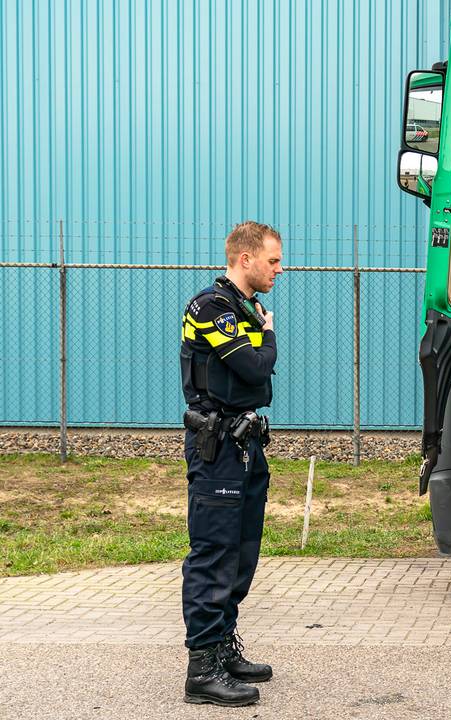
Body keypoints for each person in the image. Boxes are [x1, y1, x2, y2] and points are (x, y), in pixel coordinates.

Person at [178, 221, 284, 706]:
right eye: (273, 260)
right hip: (216, 447)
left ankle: (223, 646)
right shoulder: (210, 307)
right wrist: (268, 334)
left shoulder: (243, 308)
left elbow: (252, 375)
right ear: (246, 259)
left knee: (242, 552)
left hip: (245, 444)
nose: (279, 269)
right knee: (213, 553)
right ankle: (201, 669)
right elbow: (254, 368)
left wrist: (259, 331)